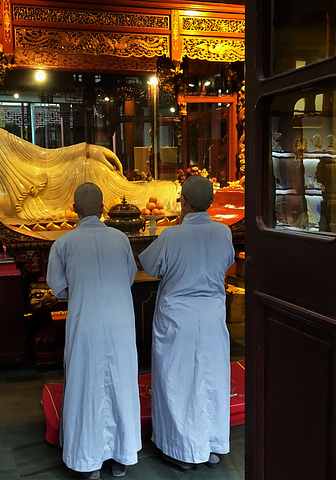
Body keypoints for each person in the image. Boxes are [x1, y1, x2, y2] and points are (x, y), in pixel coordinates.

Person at [0, 114, 180, 224]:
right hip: (55, 211)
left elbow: (47, 156)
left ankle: (174, 194)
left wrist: (89, 149)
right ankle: (179, 196)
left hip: (71, 175)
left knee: (129, 195)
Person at [138, 175, 235, 473]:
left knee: (177, 381)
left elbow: (151, 266)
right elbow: (228, 262)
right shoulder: (223, 233)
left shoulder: (171, 235)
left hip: (178, 319)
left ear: (185, 201)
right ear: (210, 202)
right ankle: (210, 445)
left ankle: (181, 449)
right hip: (212, 317)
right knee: (211, 379)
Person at [46, 182, 141, 479]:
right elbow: (128, 277)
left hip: (84, 321)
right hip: (120, 323)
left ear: (74, 210)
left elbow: (58, 287)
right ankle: (121, 456)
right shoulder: (120, 239)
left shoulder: (63, 243)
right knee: (121, 381)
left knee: (85, 383)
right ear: (102, 209)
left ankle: (87, 459)